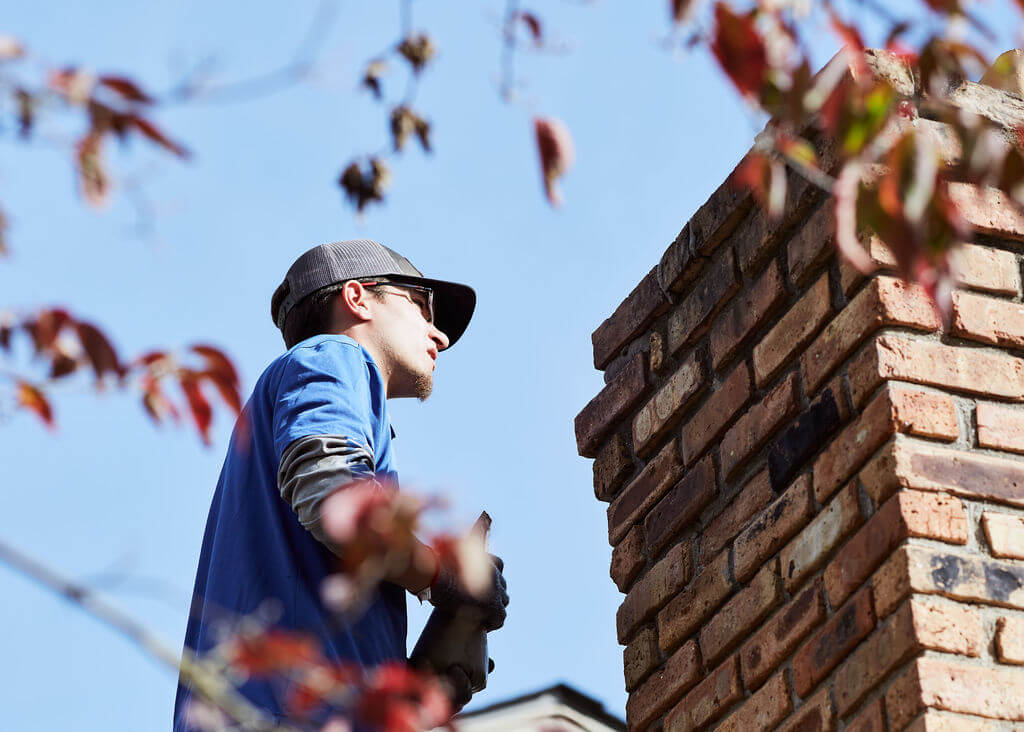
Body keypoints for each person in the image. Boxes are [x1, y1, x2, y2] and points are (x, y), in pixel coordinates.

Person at [173, 239, 509, 728]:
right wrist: (446, 577)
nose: (440, 335)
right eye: (422, 304)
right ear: (357, 298)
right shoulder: (335, 356)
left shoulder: (302, 399)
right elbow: (332, 495)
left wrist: (427, 684)